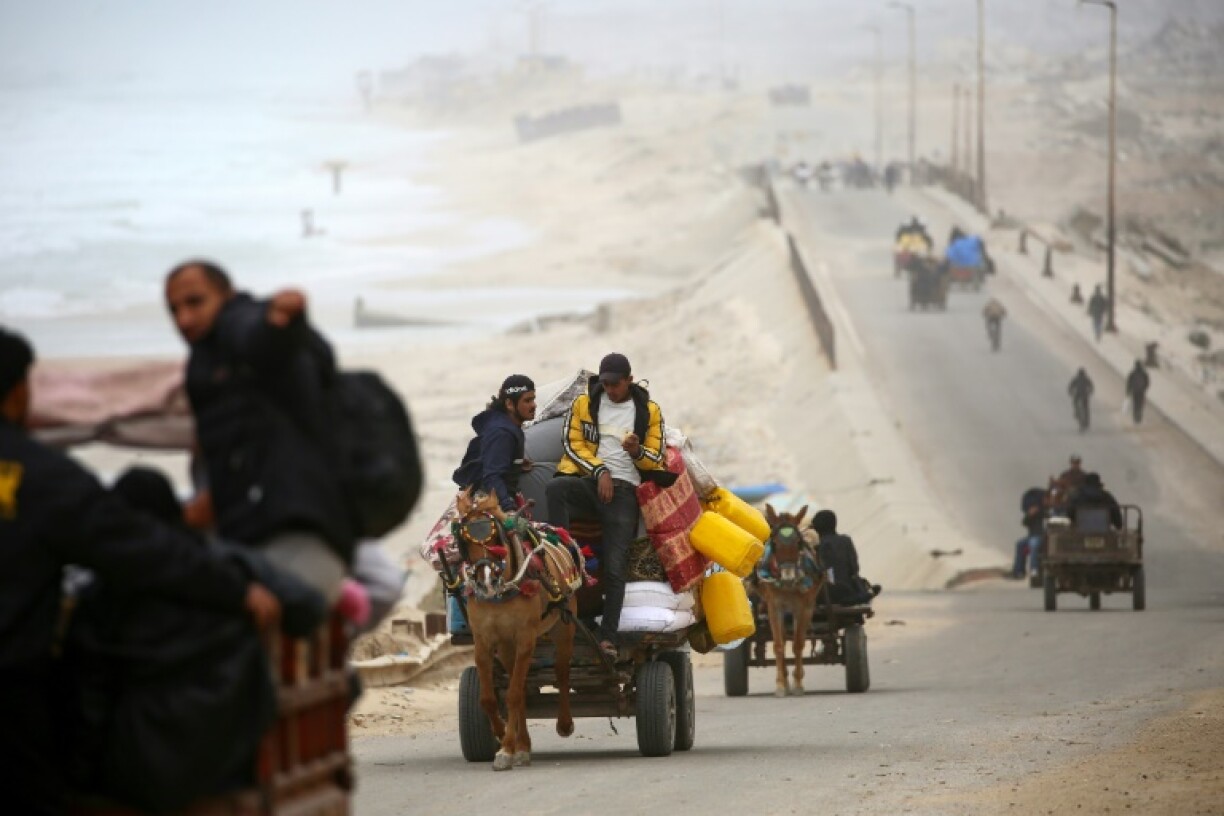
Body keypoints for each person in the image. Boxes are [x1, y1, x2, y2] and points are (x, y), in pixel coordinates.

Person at [0, 327, 281, 815]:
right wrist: (235, 590)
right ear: (21, 391)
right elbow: (140, 550)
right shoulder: (38, 477)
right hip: (13, 695)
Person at [164, 260, 353, 602]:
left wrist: (279, 324)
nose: (183, 320)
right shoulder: (207, 357)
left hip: (293, 531)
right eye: (174, 309)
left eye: (195, 302)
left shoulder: (236, 323)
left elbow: (259, 340)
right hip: (264, 531)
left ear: (227, 295)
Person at [545, 353, 673, 658]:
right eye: (606, 383)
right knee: (555, 488)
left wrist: (636, 451)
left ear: (628, 380)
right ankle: (563, 553)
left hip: (625, 491)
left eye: (616, 383)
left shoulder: (649, 412)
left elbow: (656, 458)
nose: (611, 389)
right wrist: (599, 471)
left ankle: (608, 637)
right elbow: (571, 443)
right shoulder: (584, 403)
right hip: (590, 479)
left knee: (615, 568)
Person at [453, 375, 537, 512]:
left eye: (533, 399)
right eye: (527, 401)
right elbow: (492, 475)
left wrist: (516, 463)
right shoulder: (502, 433)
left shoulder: (503, 425)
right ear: (510, 404)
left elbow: (490, 458)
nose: (533, 405)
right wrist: (508, 507)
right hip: (488, 503)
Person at [810, 510, 879, 605]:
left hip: (823, 594)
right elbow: (854, 568)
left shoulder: (816, 545)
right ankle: (864, 595)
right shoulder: (846, 541)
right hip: (847, 590)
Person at [1012, 487, 1047, 579]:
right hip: (1032, 536)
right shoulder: (1031, 515)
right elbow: (1024, 523)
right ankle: (1019, 571)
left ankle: (1034, 570)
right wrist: (1030, 515)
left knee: (1033, 545)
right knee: (1020, 544)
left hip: (1041, 537)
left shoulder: (1044, 513)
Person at [1125, 360, 1151, 425]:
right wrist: (1144, 389)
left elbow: (1129, 383)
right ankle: (1139, 416)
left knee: (1135, 404)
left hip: (1135, 391)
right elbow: (1147, 382)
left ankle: (1136, 417)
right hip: (1141, 391)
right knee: (1140, 404)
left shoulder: (1132, 373)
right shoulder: (1144, 373)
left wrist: (1128, 391)